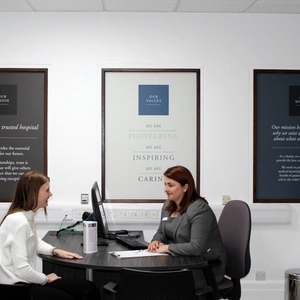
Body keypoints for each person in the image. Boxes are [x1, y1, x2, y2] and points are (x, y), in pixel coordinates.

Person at [0, 171, 100, 300]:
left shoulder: (27, 216)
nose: (50, 194)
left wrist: (55, 251)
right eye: (47, 190)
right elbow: (22, 270)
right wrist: (46, 278)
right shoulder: (19, 221)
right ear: (33, 193)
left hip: (24, 282)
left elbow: (35, 242)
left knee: (87, 287)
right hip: (15, 289)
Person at [148, 165, 227, 290]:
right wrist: (155, 241)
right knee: (147, 281)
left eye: (170, 185)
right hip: (179, 263)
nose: (166, 189)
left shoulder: (199, 209)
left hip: (203, 269)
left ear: (185, 187)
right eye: (165, 184)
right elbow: (161, 232)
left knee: (156, 285)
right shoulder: (168, 205)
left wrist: (165, 248)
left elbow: (195, 248)